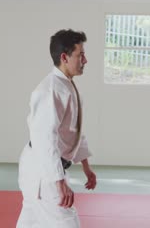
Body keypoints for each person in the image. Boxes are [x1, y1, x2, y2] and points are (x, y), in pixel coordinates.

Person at [16, 29, 97, 228]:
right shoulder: (51, 90)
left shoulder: (67, 85)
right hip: (43, 170)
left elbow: (74, 131)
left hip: (42, 167)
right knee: (66, 222)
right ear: (64, 57)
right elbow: (45, 138)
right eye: (80, 55)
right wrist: (59, 182)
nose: (85, 60)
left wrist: (86, 167)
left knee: (31, 221)